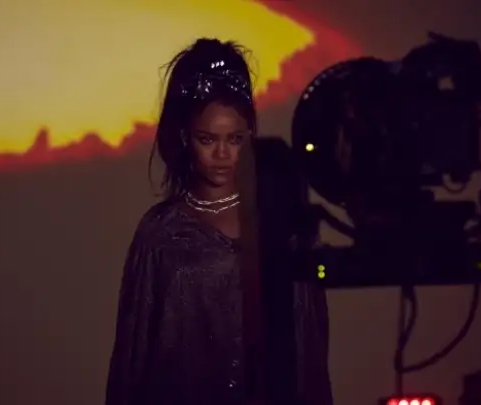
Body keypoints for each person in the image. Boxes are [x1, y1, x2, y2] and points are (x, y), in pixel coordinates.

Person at [105, 38, 332, 405]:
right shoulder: (161, 234)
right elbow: (133, 362)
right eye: (207, 139)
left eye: (235, 139)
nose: (223, 154)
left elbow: (311, 351)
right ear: (185, 137)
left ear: (250, 136)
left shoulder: (283, 229)